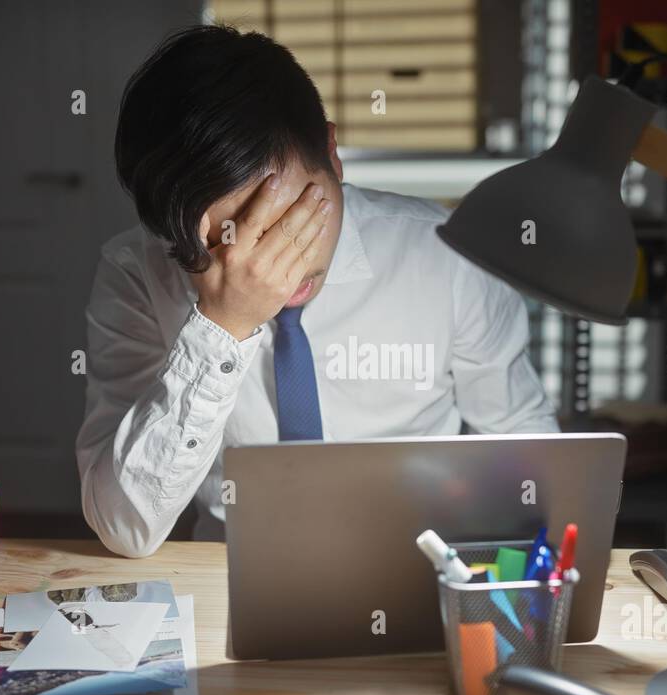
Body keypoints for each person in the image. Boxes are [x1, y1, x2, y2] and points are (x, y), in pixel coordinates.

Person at [77, 25, 557, 558]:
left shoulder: (449, 258)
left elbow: (530, 458)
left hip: (421, 570)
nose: (269, 267)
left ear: (331, 153)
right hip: (233, 571)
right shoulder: (135, 272)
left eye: (292, 217)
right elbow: (124, 527)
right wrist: (220, 329)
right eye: (223, 242)